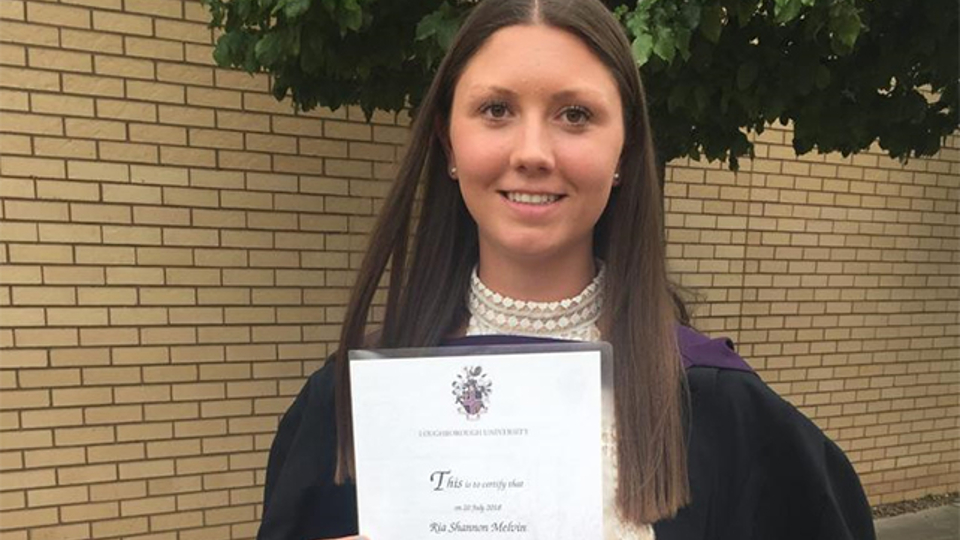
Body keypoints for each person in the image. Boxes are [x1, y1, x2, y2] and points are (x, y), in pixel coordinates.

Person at [257, 0, 877, 539]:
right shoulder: (348, 408)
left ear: (624, 153)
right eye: (496, 109)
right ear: (449, 145)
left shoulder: (715, 408)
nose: (532, 152)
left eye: (575, 115)